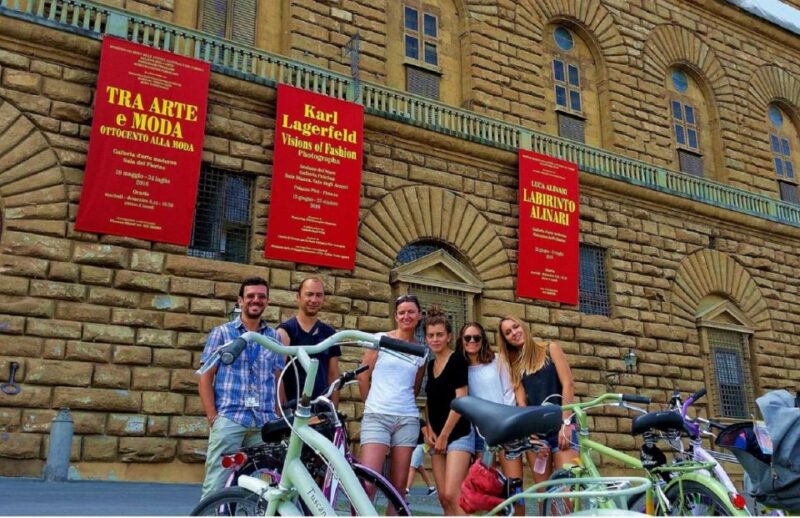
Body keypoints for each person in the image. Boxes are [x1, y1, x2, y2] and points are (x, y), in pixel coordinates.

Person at [198, 276, 285, 499]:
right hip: (231, 418)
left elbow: (278, 377)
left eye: (261, 296)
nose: (256, 300)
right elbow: (205, 376)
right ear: (240, 300)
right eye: (250, 296)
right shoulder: (222, 333)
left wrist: (278, 414)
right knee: (217, 486)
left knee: (266, 487)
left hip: (264, 422)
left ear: (267, 301)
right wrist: (213, 417)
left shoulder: (274, 336)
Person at [357, 294, 427, 514]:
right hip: (377, 415)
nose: (406, 316)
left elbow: (415, 387)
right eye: (402, 312)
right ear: (396, 316)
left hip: (406, 419)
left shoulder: (421, 351)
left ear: (419, 315)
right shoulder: (380, 340)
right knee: (367, 483)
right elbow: (362, 376)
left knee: (398, 488)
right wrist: (371, 403)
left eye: (411, 312)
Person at [456, 321, 525, 515]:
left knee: (514, 486)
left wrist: (507, 420)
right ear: (461, 341)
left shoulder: (498, 360)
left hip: (506, 428)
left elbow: (509, 390)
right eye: (467, 338)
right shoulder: (461, 368)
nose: (472, 341)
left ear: (483, 340)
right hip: (482, 434)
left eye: (476, 337)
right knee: (487, 489)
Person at [497, 315, 576, 484]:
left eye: (516, 327)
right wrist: (530, 435)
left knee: (567, 490)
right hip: (537, 435)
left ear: (523, 326)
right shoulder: (514, 366)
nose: (514, 333)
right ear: (506, 340)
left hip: (562, 426)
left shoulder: (550, 349)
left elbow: (568, 384)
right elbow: (522, 403)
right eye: (508, 332)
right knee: (543, 492)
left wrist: (566, 423)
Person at [423, 305, 473, 516]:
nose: (435, 339)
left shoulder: (458, 360)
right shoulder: (430, 364)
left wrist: (444, 435)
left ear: (449, 337)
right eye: (431, 335)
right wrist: (429, 429)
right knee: (443, 498)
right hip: (436, 437)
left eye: (439, 335)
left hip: (458, 434)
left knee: (453, 494)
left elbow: (461, 400)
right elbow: (429, 401)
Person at [276, 277, 340, 407]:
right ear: (298, 297)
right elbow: (278, 373)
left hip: (320, 410)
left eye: (319, 295)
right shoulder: (285, 331)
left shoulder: (330, 334)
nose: (314, 300)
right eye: (309, 294)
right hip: (293, 408)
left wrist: (333, 409)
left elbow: (333, 375)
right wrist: (282, 408)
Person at [406, 418, 437, 497]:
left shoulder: (420, 421)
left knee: (412, 467)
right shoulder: (408, 421)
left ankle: (407, 489)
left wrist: (430, 448)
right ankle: (431, 488)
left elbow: (426, 435)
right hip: (413, 446)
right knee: (420, 468)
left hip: (419, 446)